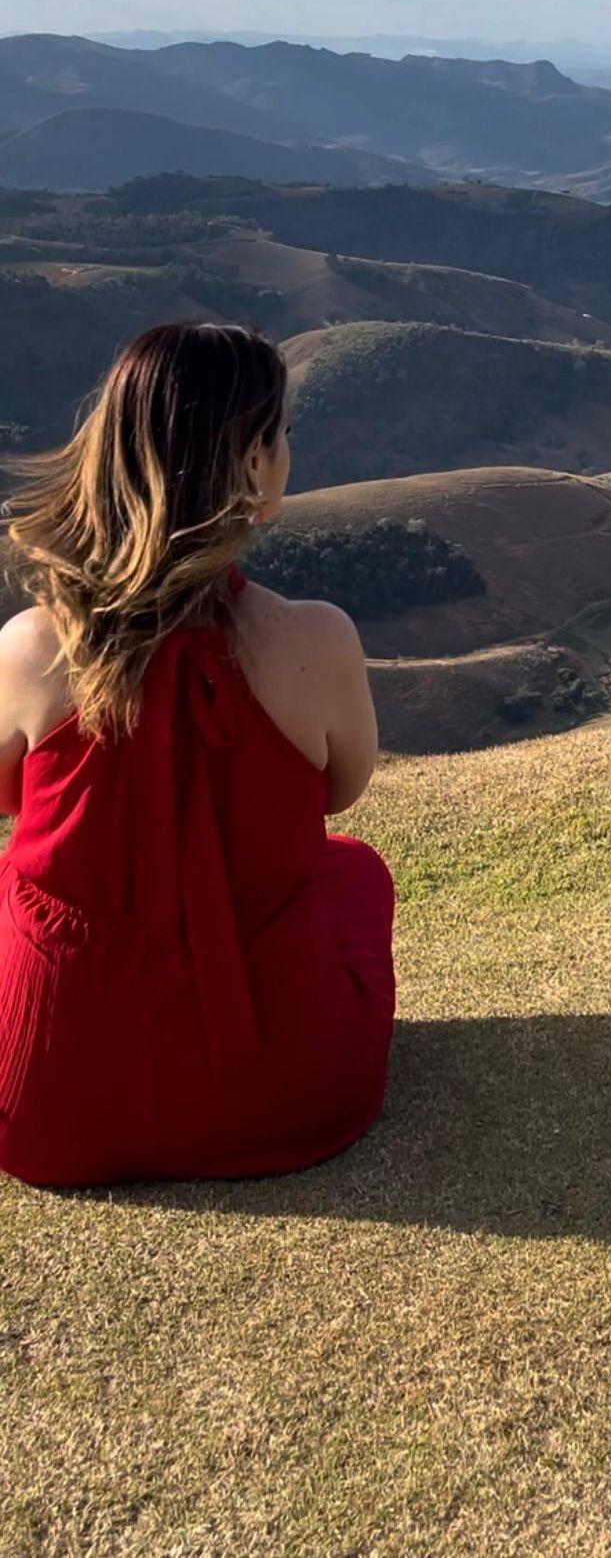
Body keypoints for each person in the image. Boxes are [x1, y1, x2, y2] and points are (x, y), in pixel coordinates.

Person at [0, 322, 395, 1187]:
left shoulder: (32, 648)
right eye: (281, 433)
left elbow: (6, 800)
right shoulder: (316, 639)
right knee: (355, 873)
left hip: (45, 1111)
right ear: (253, 463)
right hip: (290, 1100)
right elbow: (340, 796)